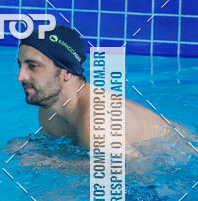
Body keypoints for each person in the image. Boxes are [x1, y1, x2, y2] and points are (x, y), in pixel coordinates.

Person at [16, 25, 181, 152]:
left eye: (33, 66)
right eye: (20, 65)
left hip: (179, 151)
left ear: (66, 72)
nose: (20, 76)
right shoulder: (49, 112)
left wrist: (47, 163)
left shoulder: (98, 122)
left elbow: (137, 175)